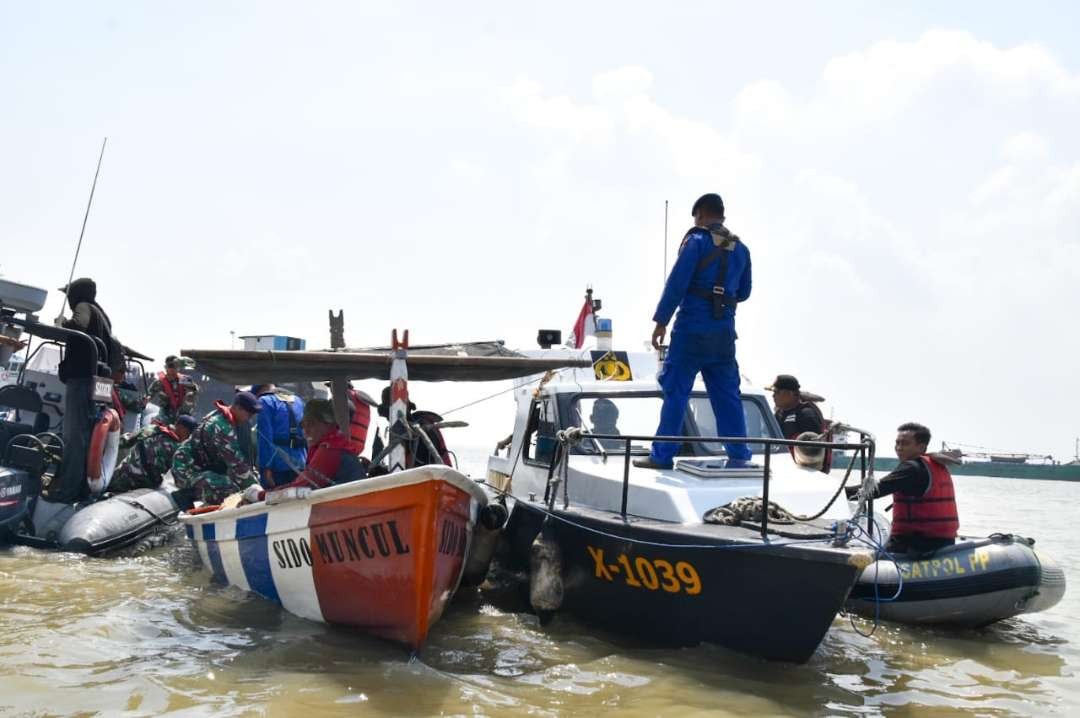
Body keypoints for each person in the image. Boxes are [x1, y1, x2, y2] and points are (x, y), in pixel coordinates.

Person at [634, 193, 753, 470]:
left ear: (699, 214)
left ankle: (662, 455)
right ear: (721, 215)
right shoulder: (741, 249)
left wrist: (660, 321)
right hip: (723, 333)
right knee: (727, 395)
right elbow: (744, 292)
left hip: (691, 331)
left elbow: (677, 283)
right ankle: (739, 454)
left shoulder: (696, 241)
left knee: (676, 390)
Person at [52, 277, 120, 502]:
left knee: (74, 435)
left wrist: (61, 322)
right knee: (90, 431)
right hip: (100, 380)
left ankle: (69, 489)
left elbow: (77, 325)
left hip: (83, 378)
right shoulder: (104, 315)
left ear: (77, 293)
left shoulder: (83, 306)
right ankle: (83, 486)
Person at [845, 422, 959, 555]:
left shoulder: (912, 468)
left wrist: (836, 493)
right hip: (945, 541)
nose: (899, 448)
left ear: (921, 447)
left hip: (917, 543)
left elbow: (875, 490)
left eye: (904, 444)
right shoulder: (936, 465)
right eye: (897, 443)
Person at [242, 399, 366, 503]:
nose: (305, 431)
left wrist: (258, 496)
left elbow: (298, 490)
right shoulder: (336, 444)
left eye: (311, 424)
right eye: (303, 425)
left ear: (328, 423)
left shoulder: (330, 450)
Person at [171, 391, 261, 507]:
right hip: (186, 469)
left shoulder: (223, 417)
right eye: (248, 415)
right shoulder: (222, 427)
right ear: (238, 408)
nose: (249, 419)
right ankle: (188, 494)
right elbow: (237, 465)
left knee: (242, 482)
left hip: (202, 466)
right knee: (229, 488)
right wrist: (258, 491)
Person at [110, 415, 197, 492]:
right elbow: (181, 474)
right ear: (181, 428)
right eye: (188, 433)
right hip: (141, 486)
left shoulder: (152, 429)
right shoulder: (177, 449)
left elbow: (124, 441)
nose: (188, 437)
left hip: (123, 475)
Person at [767, 374, 832, 472]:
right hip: (780, 466)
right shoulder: (779, 414)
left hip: (802, 471)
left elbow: (813, 450)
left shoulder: (806, 414)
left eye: (776, 392)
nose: (773, 395)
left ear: (789, 393)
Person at [252, 383, 307, 488]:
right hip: (301, 463)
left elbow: (265, 438)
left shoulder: (264, 401)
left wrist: (266, 469)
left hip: (278, 467)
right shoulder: (298, 400)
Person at [147, 355, 199, 426]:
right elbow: (148, 395)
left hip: (181, 414)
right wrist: (146, 399)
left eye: (175, 366)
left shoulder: (184, 379)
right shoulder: (159, 382)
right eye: (170, 366)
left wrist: (190, 397)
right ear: (166, 367)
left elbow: (195, 390)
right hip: (165, 414)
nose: (173, 369)